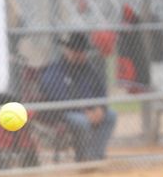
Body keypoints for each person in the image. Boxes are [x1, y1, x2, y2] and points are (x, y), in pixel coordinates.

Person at [40, 32, 117, 162]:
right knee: (82, 121)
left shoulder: (89, 69)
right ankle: (83, 157)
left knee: (110, 115)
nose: (79, 54)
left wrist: (100, 108)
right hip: (63, 113)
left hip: (90, 111)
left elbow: (101, 92)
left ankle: (96, 155)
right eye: (75, 51)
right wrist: (84, 111)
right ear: (67, 50)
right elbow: (58, 97)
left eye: (82, 51)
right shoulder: (55, 70)